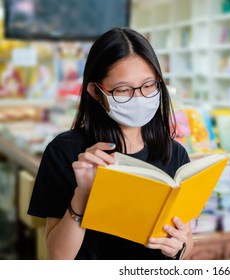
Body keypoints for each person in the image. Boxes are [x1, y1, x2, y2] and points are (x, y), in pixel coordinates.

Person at [28, 27, 193, 260]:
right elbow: (57, 258)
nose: (139, 98)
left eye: (148, 86)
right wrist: (83, 193)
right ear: (96, 92)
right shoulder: (66, 152)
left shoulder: (174, 154)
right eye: (123, 90)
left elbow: (186, 244)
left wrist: (181, 248)